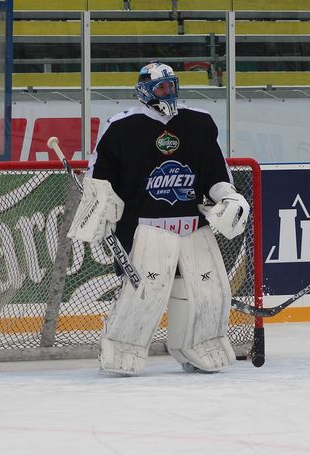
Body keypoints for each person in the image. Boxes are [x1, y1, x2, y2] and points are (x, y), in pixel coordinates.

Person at [67, 61, 250, 376]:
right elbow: (100, 179)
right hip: (144, 232)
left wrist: (228, 197)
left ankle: (198, 345)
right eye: (161, 87)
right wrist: (101, 209)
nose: (169, 92)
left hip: (192, 229)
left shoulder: (199, 123)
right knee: (143, 295)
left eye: (172, 85)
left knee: (209, 293)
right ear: (144, 90)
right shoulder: (121, 126)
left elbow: (216, 174)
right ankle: (122, 348)